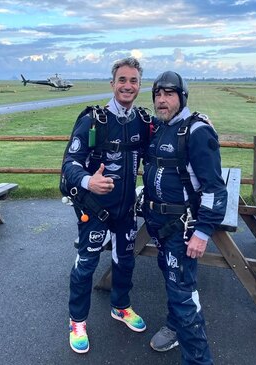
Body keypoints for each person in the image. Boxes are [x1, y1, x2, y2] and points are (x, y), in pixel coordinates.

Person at [60, 57, 150, 354]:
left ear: (139, 85)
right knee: (86, 265)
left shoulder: (143, 121)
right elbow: (69, 165)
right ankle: (77, 321)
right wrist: (88, 181)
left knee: (125, 260)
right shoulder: (92, 120)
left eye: (133, 80)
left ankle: (121, 306)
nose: (127, 85)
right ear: (112, 84)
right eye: (122, 80)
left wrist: (198, 121)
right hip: (96, 210)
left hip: (126, 211)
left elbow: (169, 139)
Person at [142, 71, 228, 364]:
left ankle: (198, 360)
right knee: (172, 281)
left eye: (169, 94)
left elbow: (215, 189)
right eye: (158, 94)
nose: (162, 100)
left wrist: (202, 232)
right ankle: (174, 325)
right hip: (159, 226)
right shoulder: (159, 127)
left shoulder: (197, 132)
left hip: (183, 231)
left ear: (182, 97)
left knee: (184, 297)